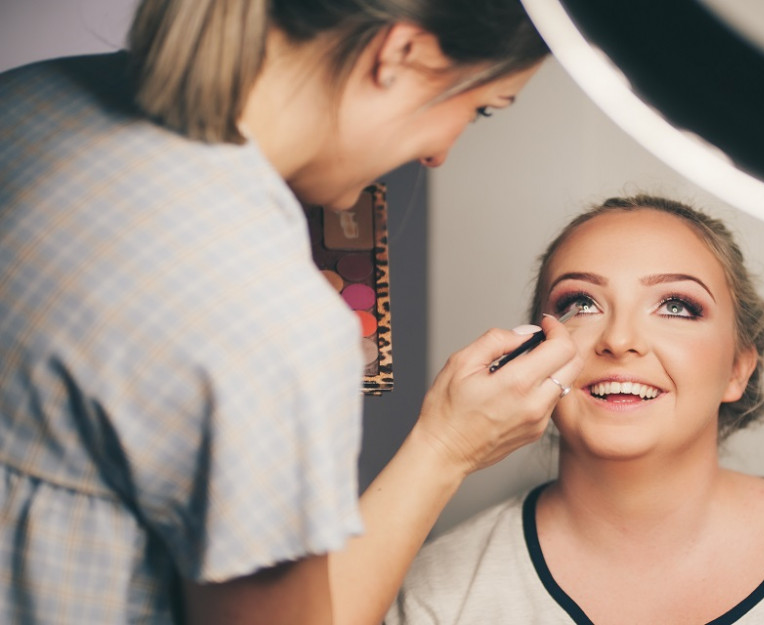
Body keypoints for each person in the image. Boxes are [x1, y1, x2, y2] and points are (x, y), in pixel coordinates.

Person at [0, 1, 581, 624]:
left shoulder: (26, 98)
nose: (440, 155)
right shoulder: (263, 316)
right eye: (481, 108)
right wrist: (445, 446)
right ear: (401, 55)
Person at [387, 194, 764, 624]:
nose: (620, 339)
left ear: (738, 367)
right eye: (581, 302)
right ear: (533, 349)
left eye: (677, 306)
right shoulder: (441, 591)